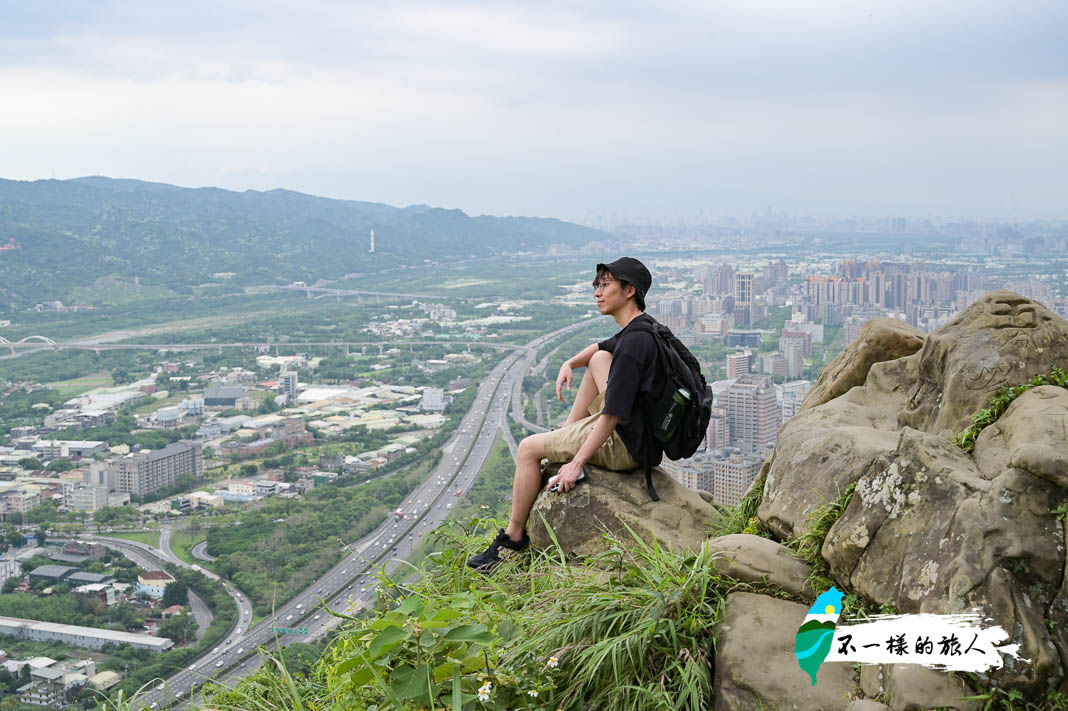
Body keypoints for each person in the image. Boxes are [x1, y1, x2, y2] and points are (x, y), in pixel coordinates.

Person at [466, 257, 665, 572]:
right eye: (596, 286)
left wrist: (576, 464)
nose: (597, 292)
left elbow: (613, 413)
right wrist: (569, 363)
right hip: (642, 435)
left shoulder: (634, 344)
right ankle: (563, 440)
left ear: (629, 290)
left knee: (528, 449)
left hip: (627, 443)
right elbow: (600, 347)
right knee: (599, 359)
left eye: (605, 285)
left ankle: (514, 537)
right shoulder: (644, 328)